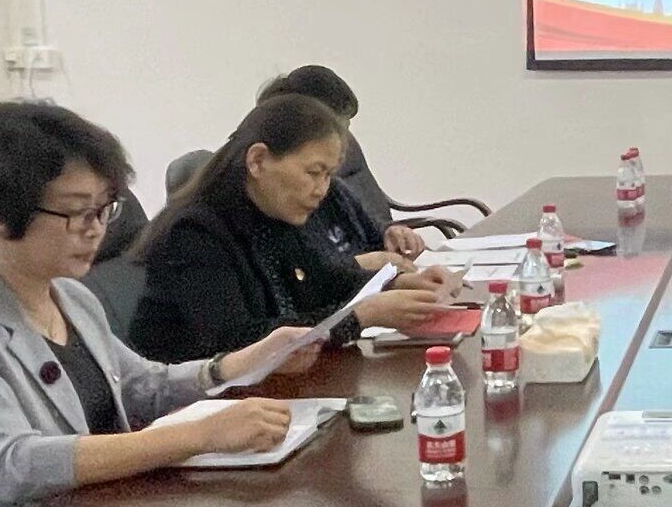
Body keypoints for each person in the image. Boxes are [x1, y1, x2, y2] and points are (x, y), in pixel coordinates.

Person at [0, 102, 327, 507]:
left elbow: (144, 387)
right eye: (76, 212)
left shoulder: (71, 297)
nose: (95, 230)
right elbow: (11, 464)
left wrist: (242, 363)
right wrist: (198, 436)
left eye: (104, 210)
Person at [131, 94, 455, 363]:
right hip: (198, 406)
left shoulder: (272, 211)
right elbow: (239, 341)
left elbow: (323, 282)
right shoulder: (194, 233)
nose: (322, 190)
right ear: (258, 161)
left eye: (328, 176)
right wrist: (361, 316)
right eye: (313, 173)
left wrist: (395, 283)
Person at [257, 65, 428, 263]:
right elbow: (304, 273)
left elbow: (372, 231)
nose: (344, 142)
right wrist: (361, 265)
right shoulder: (277, 209)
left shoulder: (335, 190)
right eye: (314, 171)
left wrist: (391, 233)